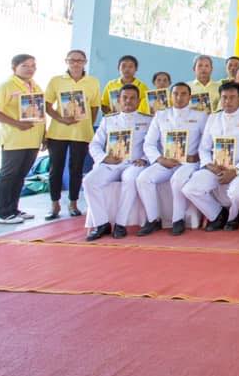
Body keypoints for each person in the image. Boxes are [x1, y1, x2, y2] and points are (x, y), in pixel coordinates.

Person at [181, 82, 239, 232]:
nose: (228, 101)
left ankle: (233, 217)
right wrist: (210, 165)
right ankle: (217, 214)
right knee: (190, 189)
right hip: (215, 167)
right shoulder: (213, 118)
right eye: (224, 97)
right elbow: (203, 148)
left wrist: (235, 171)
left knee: (237, 194)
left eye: (232, 97)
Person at [134, 82, 208, 236]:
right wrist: (160, 159)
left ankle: (178, 219)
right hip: (165, 161)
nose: (179, 97)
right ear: (170, 96)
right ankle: (153, 219)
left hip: (189, 162)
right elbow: (149, 143)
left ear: (190, 96)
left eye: (183, 94)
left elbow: (207, 142)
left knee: (178, 179)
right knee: (143, 178)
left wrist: (197, 156)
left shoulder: (200, 116)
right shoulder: (161, 115)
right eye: (175, 94)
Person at [81, 85, 152, 240]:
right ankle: (102, 224)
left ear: (139, 101)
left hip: (134, 163)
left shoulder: (148, 120)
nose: (128, 101)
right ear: (119, 100)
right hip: (111, 163)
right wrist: (104, 158)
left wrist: (145, 159)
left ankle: (120, 224)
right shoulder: (108, 120)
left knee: (130, 179)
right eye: (125, 97)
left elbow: (153, 144)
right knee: (88, 181)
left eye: (133, 98)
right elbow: (94, 144)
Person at [0, 54, 46, 224]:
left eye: (33, 65)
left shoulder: (35, 86)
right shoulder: (7, 86)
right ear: (14, 67)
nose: (30, 69)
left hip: (33, 139)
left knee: (21, 175)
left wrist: (44, 135)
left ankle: (13, 208)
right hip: (14, 139)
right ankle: (0, 212)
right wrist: (16, 123)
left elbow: (41, 113)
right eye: (25, 65)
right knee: (9, 174)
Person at [43, 49, 100, 220]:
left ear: (85, 62)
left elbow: (95, 106)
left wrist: (87, 123)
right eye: (72, 60)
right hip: (58, 132)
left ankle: (73, 203)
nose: (76, 63)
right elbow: (46, 105)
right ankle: (54, 205)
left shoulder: (93, 82)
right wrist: (61, 118)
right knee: (55, 169)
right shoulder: (56, 81)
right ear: (66, 61)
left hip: (82, 133)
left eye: (80, 60)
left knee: (76, 169)